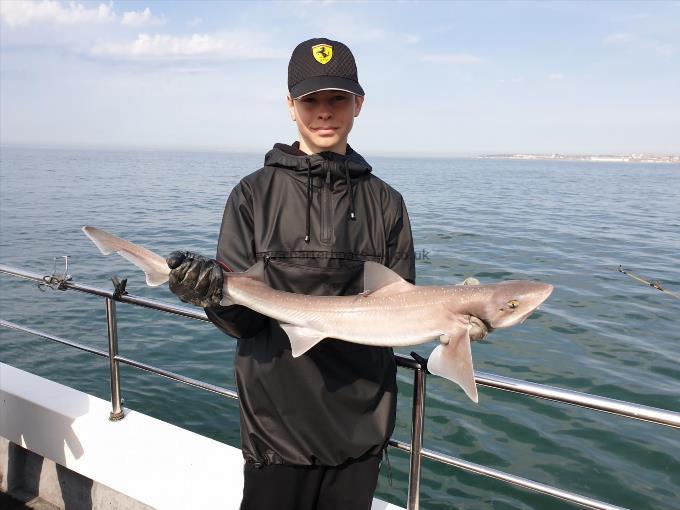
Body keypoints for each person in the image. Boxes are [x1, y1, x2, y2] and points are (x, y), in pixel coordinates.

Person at [166, 37, 485, 509]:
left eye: (337, 98)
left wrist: (457, 322)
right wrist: (211, 294)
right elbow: (243, 323)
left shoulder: (387, 203)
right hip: (275, 424)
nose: (324, 112)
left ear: (358, 104)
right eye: (310, 99)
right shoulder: (251, 195)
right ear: (290, 105)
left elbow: (403, 311)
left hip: (361, 424)